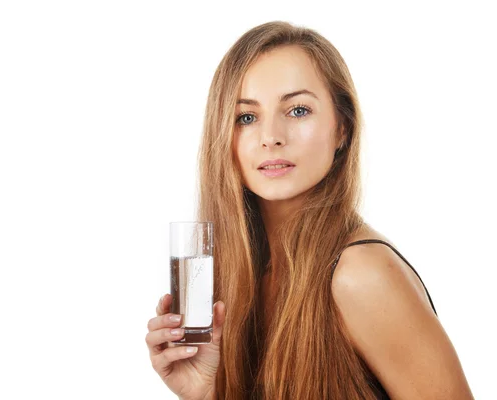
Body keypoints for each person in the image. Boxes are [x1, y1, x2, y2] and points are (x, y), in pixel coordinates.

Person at [145, 21, 474, 399]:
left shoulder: (359, 275)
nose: (271, 136)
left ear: (342, 129)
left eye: (298, 110)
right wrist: (205, 393)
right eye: (246, 117)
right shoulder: (242, 275)